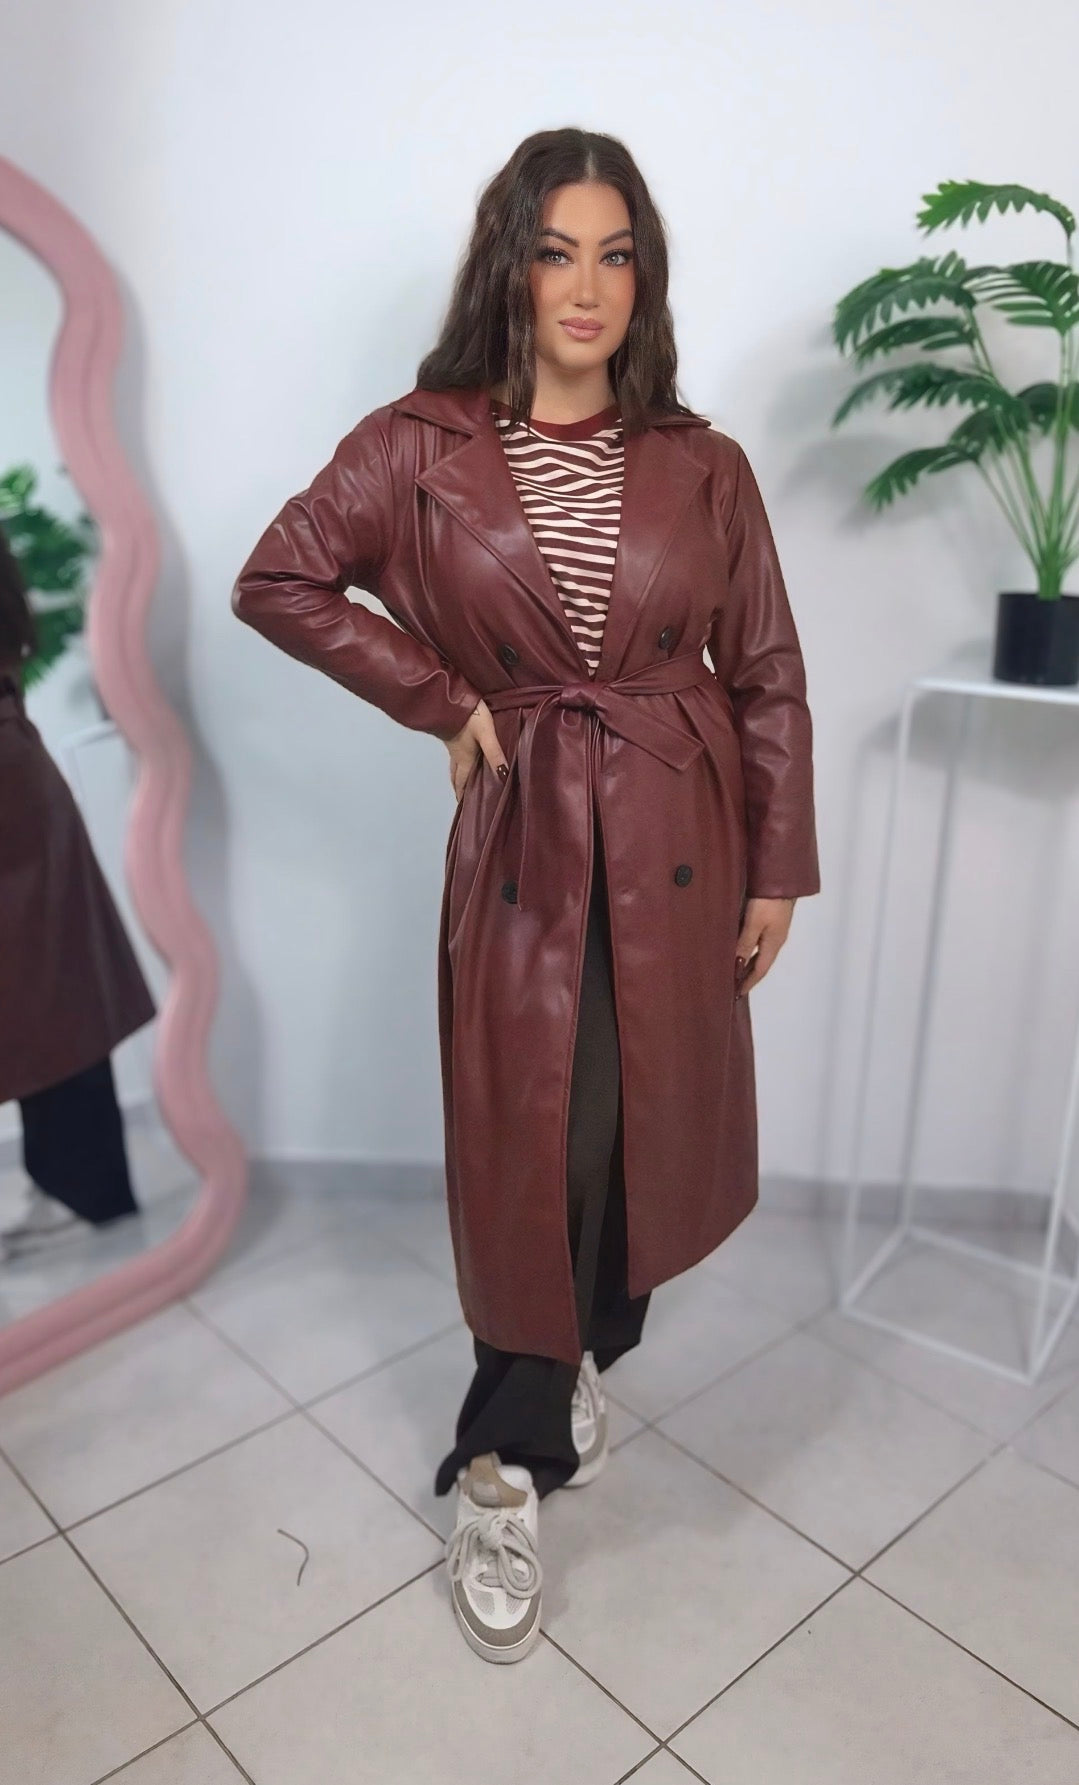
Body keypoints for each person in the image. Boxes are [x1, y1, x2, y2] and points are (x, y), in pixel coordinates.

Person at [232, 126, 821, 1665]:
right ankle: (501, 1467)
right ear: (508, 265)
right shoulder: (415, 446)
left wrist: (777, 864)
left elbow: (764, 671)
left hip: (678, 835)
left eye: (615, 254)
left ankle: (577, 1361)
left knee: (636, 1132)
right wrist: (440, 697)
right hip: (527, 848)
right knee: (533, 1143)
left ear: (644, 278)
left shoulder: (702, 463)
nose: (586, 285)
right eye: (555, 251)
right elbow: (279, 577)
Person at [0, 522, 155, 1257]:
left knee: (44, 993)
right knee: (47, 991)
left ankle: (77, 1187)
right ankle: (79, 1186)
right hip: (19, 780)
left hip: (12, 793)